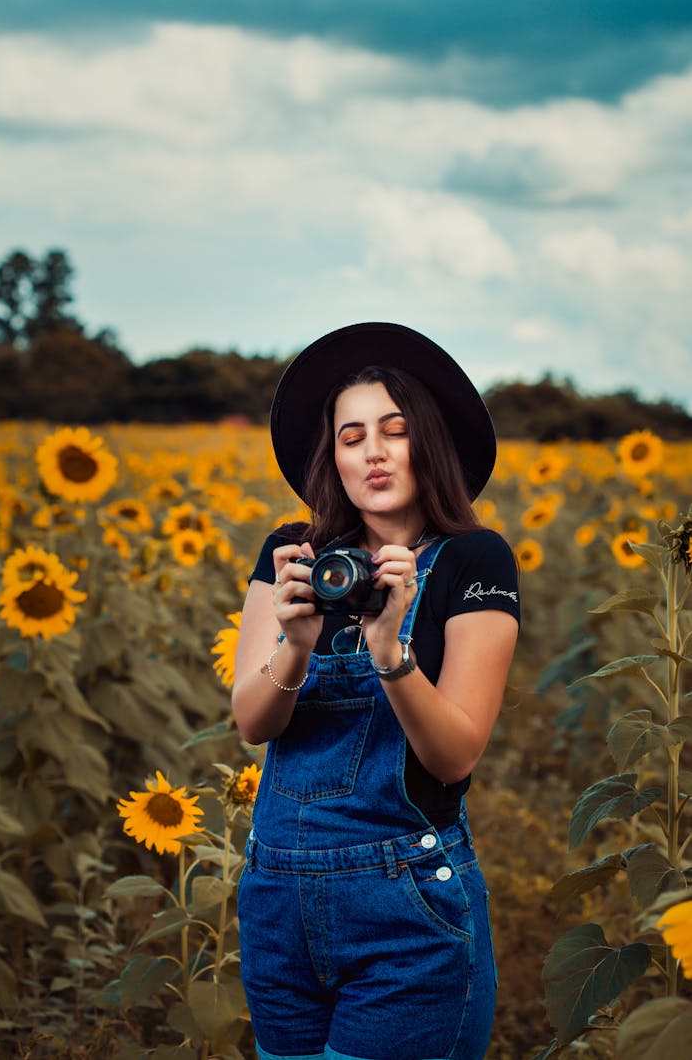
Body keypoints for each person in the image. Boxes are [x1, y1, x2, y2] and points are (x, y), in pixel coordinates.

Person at [232, 322, 520, 1060]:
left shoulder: (474, 558)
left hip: (407, 905)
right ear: (332, 454)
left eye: (394, 430)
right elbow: (251, 722)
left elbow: (454, 754)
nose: (374, 451)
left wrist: (391, 650)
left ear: (428, 441)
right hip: (277, 906)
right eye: (351, 435)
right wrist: (295, 642)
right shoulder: (292, 554)